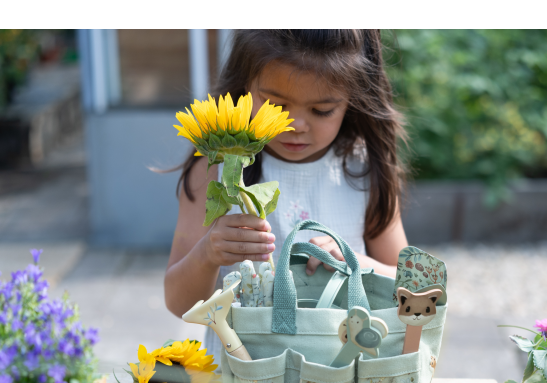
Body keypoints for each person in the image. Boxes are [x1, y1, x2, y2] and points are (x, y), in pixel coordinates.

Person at [165, 30, 409, 359]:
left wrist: (357, 263)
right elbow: (180, 303)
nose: (295, 124)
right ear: (245, 87)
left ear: (352, 100)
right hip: (240, 378)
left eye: (322, 110)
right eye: (276, 105)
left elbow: (413, 287)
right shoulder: (214, 169)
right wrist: (208, 254)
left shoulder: (362, 170)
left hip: (342, 379)